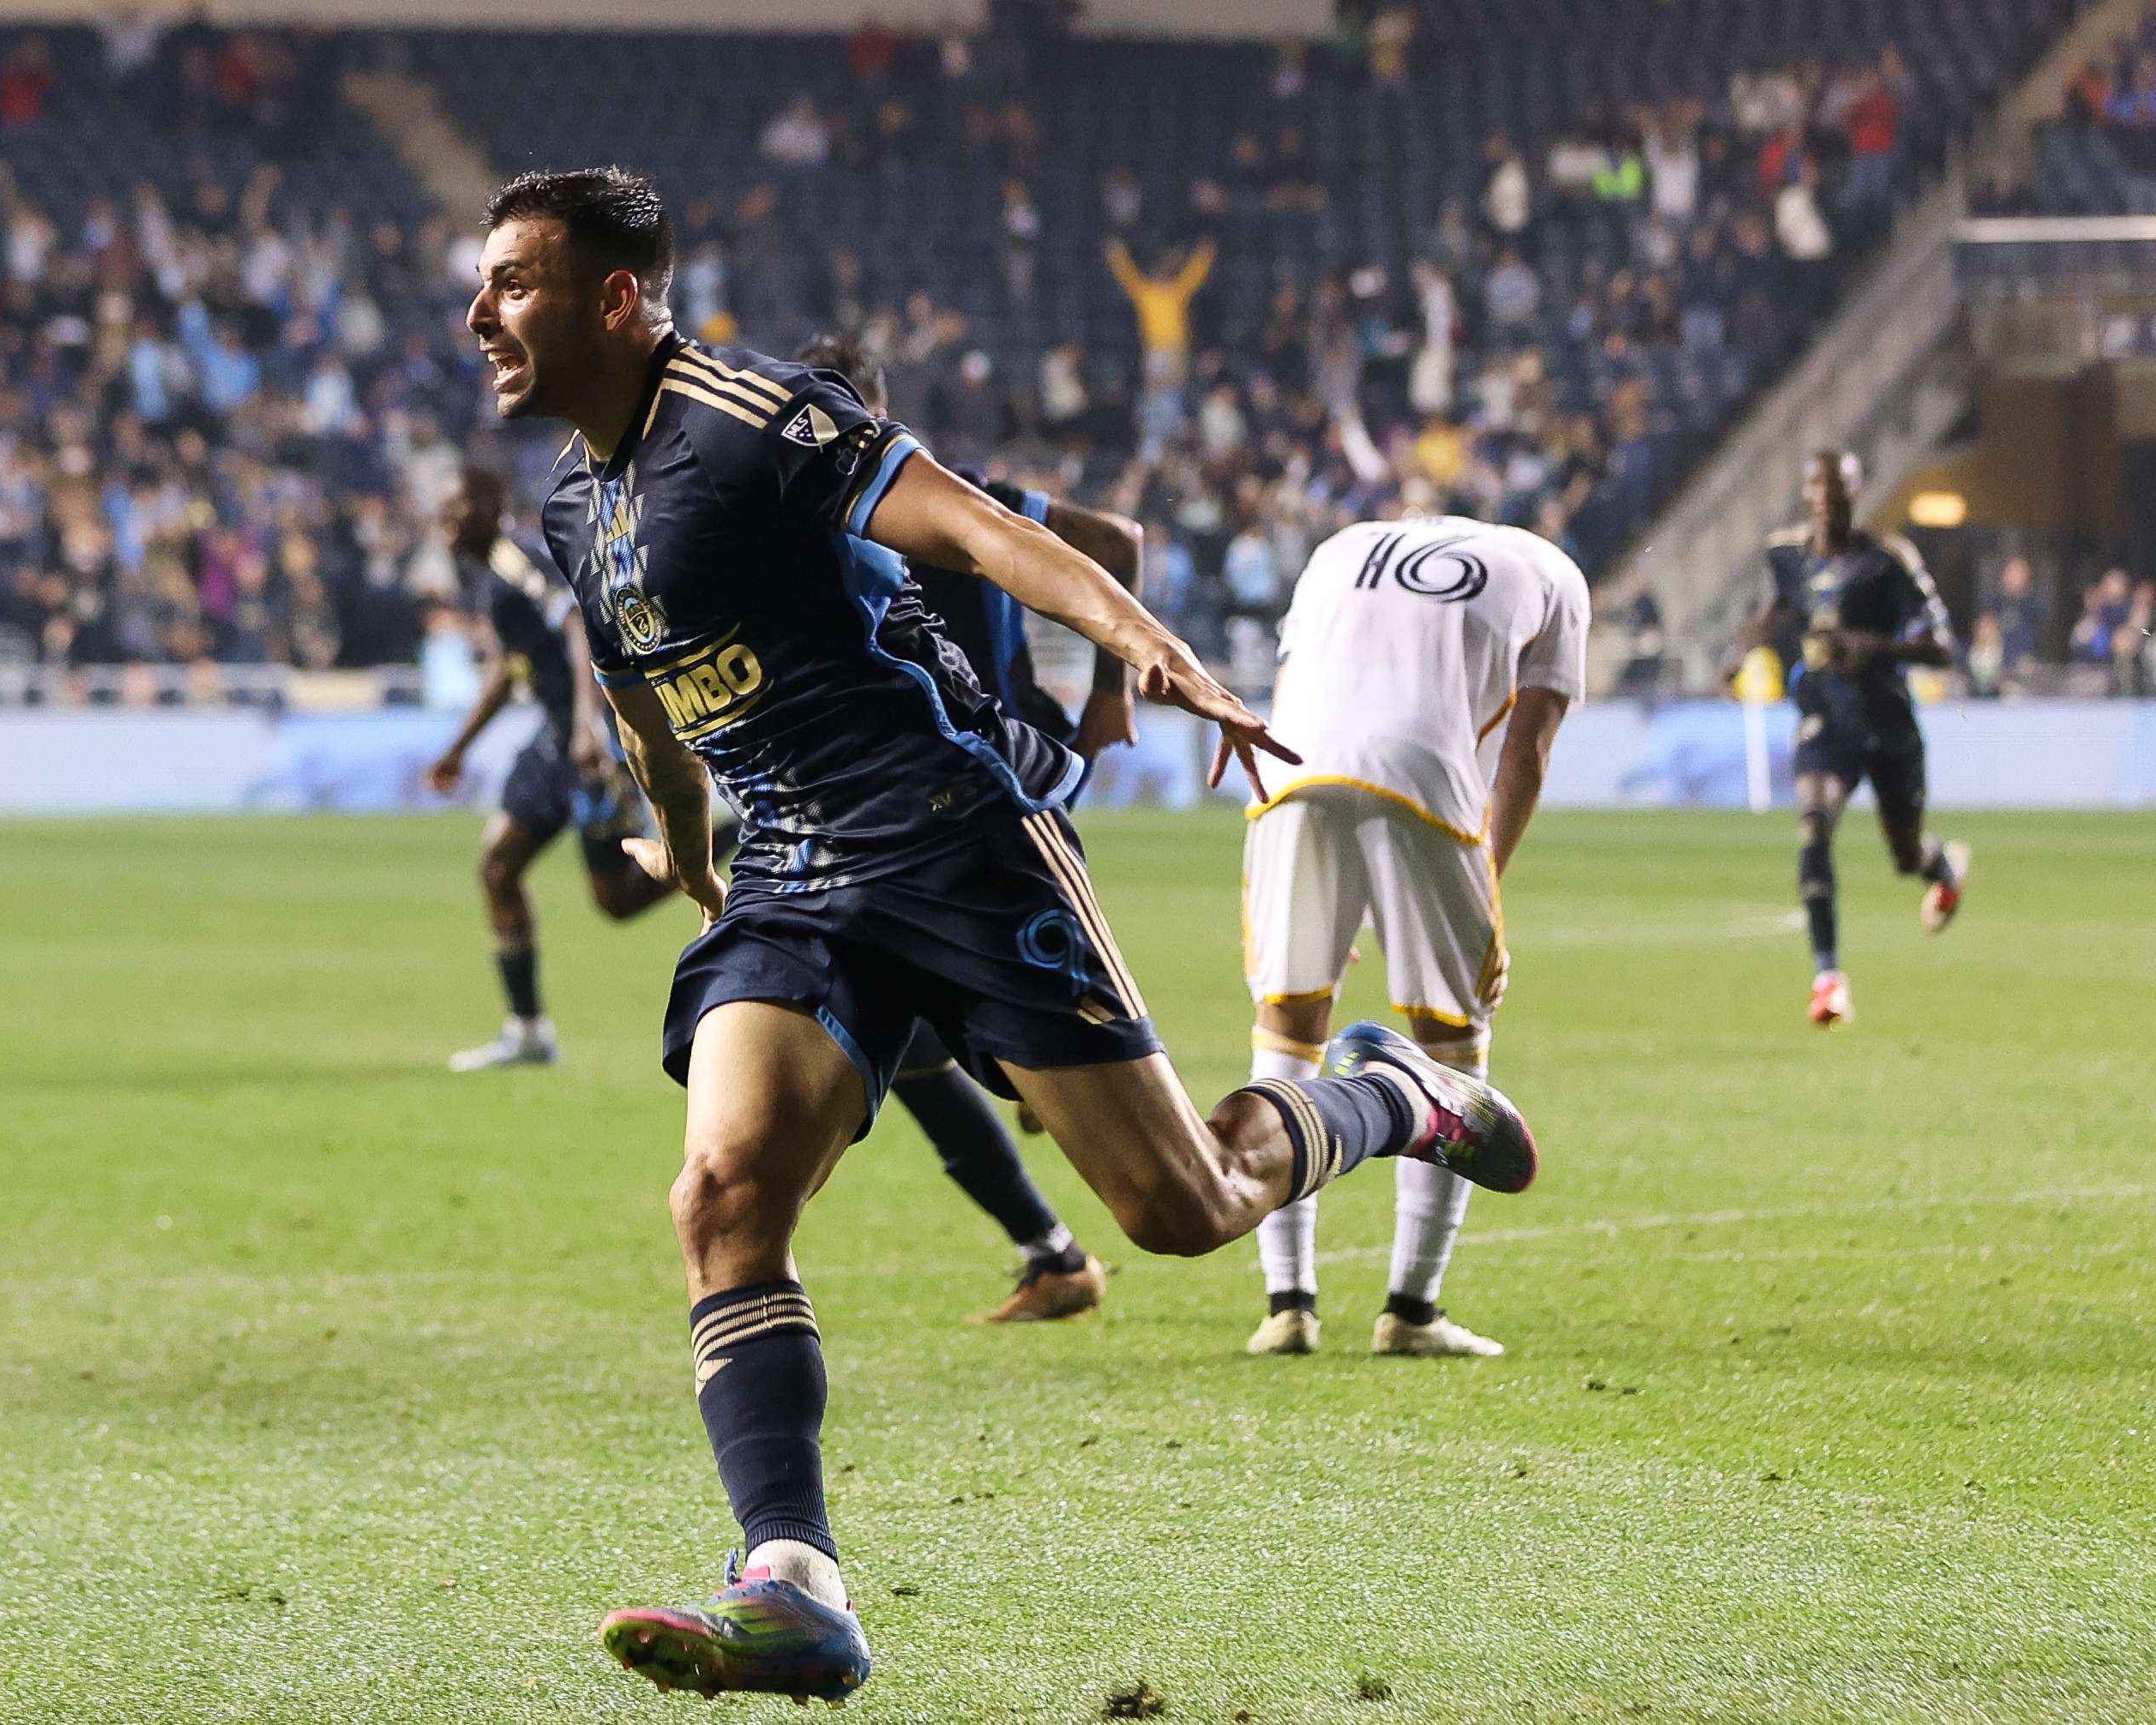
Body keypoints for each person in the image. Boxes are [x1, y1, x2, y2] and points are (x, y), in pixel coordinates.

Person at [467, 166, 1540, 1704]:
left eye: (512, 282)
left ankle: (1394, 1092)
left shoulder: (753, 417)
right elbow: (649, 703)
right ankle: (793, 1582)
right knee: (723, 1195)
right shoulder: (578, 500)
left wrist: (1146, 648)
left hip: (955, 841)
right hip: (794, 878)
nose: (479, 314)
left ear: (618, 297)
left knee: (1182, 1205)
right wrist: (692, 853)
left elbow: (974, 528)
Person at [789, 332, 1147, 1326]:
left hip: (995, 804)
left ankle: (1355, 1113)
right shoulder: (802, 516)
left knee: (1159, 1168)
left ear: (877, 416)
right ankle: (1052, 1251)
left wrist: (1112, 687)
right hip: (901, 819)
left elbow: (1117, 541)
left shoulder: (953, 496)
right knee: (903, 1047)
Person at [1240, 508, 1590, 1360]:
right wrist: (1482, 886)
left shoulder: (1342, 545)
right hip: (1425, 773)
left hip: (1289, 772)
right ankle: (1412, 1309)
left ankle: (1287, 1306)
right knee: (1450, 1042)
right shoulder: (1555, 572)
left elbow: (1293, 688)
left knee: (1287, 1028)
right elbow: (1528, 750)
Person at [425, 466, 684, 1071]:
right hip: (555, 739)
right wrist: (458, 748)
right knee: (498, 867)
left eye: (457, 505)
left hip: (594, 741)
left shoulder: (514, 560)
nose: (446, 519)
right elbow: (509, 667)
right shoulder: (487, 575)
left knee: (617, 900)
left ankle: (737, 835)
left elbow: (576, 625)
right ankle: (528, 1031)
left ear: (489, 504)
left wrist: (590, 725)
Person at [1731, 450, 1968, 1030]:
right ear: (1806, 493)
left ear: (1855, 494)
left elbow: (1941, 647)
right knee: (1814, 824)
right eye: (1818, 487)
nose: (1827, 500)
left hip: (1886, 721)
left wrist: (1871, 646)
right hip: (1826, 717)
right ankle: (1828, 980)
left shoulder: (1888, 560)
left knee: (1905, 853)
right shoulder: (1786, 555)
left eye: (1838, 490)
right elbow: (1780, 605)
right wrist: (1740, 651)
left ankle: (1941, 867)